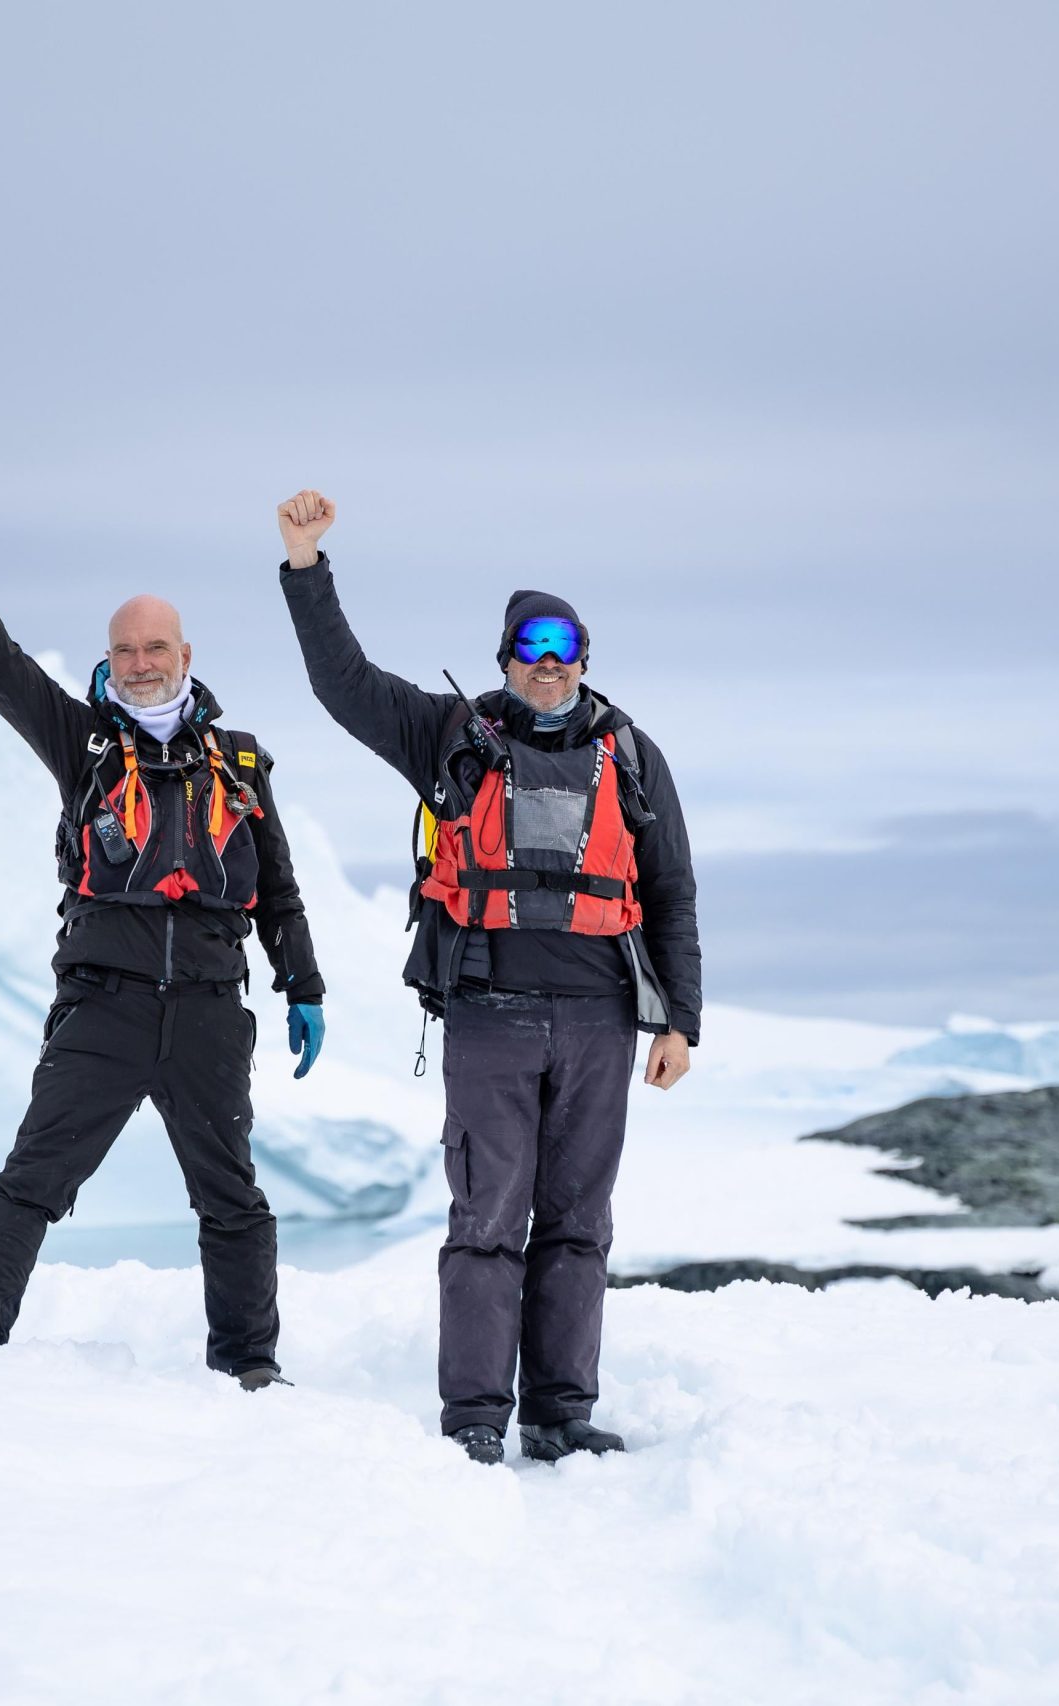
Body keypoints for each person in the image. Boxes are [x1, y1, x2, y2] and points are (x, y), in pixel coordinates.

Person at [271, 489, 702, 1463]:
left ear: (584, 660)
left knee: (579, 1222)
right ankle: (473, 1418)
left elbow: (671, 890)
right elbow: (342, 684)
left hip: (601, 1016)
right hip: (487, 1015)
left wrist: (681, 1022)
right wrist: (307, 567)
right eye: (527, 649)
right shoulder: (449, 736)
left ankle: (561, 1411)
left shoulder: (632, 755)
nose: (546, 666)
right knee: (485, 1219)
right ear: (504, 657)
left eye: (564, 650)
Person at [0, 504, 327, 1388]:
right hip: (104, 1005)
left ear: (186, 657)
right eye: (125, 651)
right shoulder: (86, 746)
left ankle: (250, 1366)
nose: (140, 665)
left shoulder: (241, 765)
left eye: (156, 649)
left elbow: (278, 889)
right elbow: (1, 669)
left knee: (233, 1198)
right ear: (111, 662)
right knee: (38, 1172)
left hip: (211, 1012)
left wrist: (304, 987)